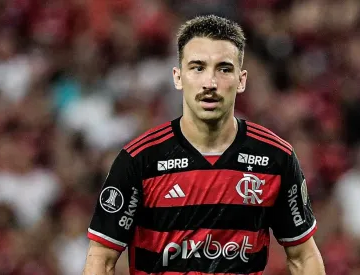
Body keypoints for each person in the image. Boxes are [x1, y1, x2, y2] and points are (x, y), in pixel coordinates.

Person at [83, 15, 325, 275]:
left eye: (223, 69)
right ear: (178, 77)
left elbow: (303, 256)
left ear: (241, 80)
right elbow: (101, 259)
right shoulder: (139, 160)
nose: (210, 83)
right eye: (197, 67)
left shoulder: (276, 158)